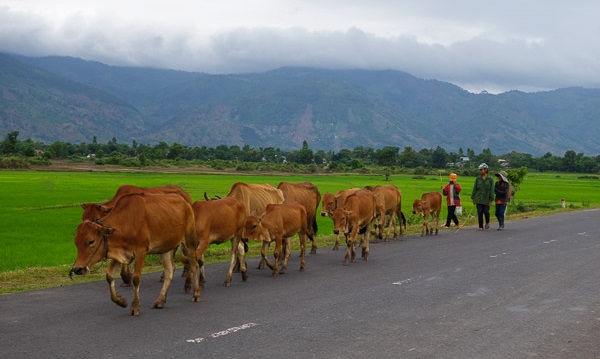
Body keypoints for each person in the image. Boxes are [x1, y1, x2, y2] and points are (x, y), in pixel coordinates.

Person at [471, 163, 494, 230]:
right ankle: (480, 226)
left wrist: (491, 199)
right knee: (479, 212)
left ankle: (487, 222)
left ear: (486, 170)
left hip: (486, 199)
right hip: (479, 198)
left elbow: (492, 190)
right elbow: (475, 188)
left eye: (481, 169)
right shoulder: (478, 179)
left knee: (486, 212)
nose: (480, 171)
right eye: (480, 170)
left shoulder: (490, 179)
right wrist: (473, 197)